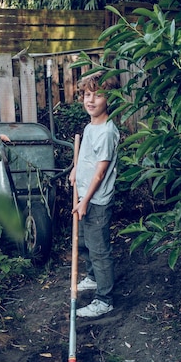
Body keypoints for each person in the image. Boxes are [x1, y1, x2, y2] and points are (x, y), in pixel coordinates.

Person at [69, 71, 120, 318]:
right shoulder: (91, 126)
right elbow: (86, 157)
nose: (91, 100)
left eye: (98, 95)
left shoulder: (107, 132)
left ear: (108, 99)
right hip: (83, 196)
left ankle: (104, 299)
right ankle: (91, 278)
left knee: (99, 250)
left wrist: (85, 201)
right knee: (86, 242)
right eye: (87, 94)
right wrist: (75, 170)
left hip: (96, 201)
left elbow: (100, 174)